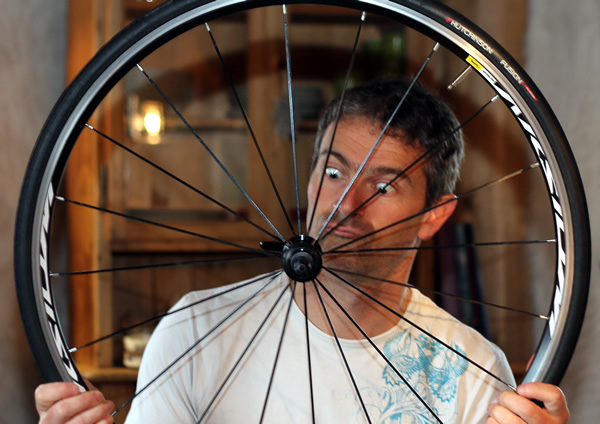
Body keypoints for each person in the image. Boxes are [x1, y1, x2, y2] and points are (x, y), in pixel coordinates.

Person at [35, 79, 570, 423]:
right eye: (333, 171)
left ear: (435, 216)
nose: (345, 202)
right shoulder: (196, 329)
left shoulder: (474, 370)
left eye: (383, 187)